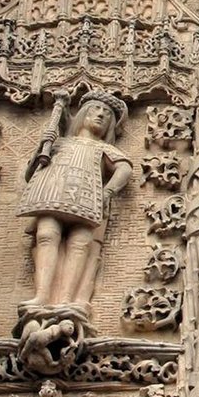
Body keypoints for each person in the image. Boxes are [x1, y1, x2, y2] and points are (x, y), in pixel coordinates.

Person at [18, 92, 131, 315]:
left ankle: (67, 300)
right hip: (52, 194)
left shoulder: (104, 148)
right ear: (80, 115)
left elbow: (124, 168)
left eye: (107, 114)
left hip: (87, 199)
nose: (100, 115)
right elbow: (31, 173)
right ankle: (42, 295)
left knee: (80, 244)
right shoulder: (59, 143)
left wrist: (108, 191)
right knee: (46, 235)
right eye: (95, 110)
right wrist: (43, 145)